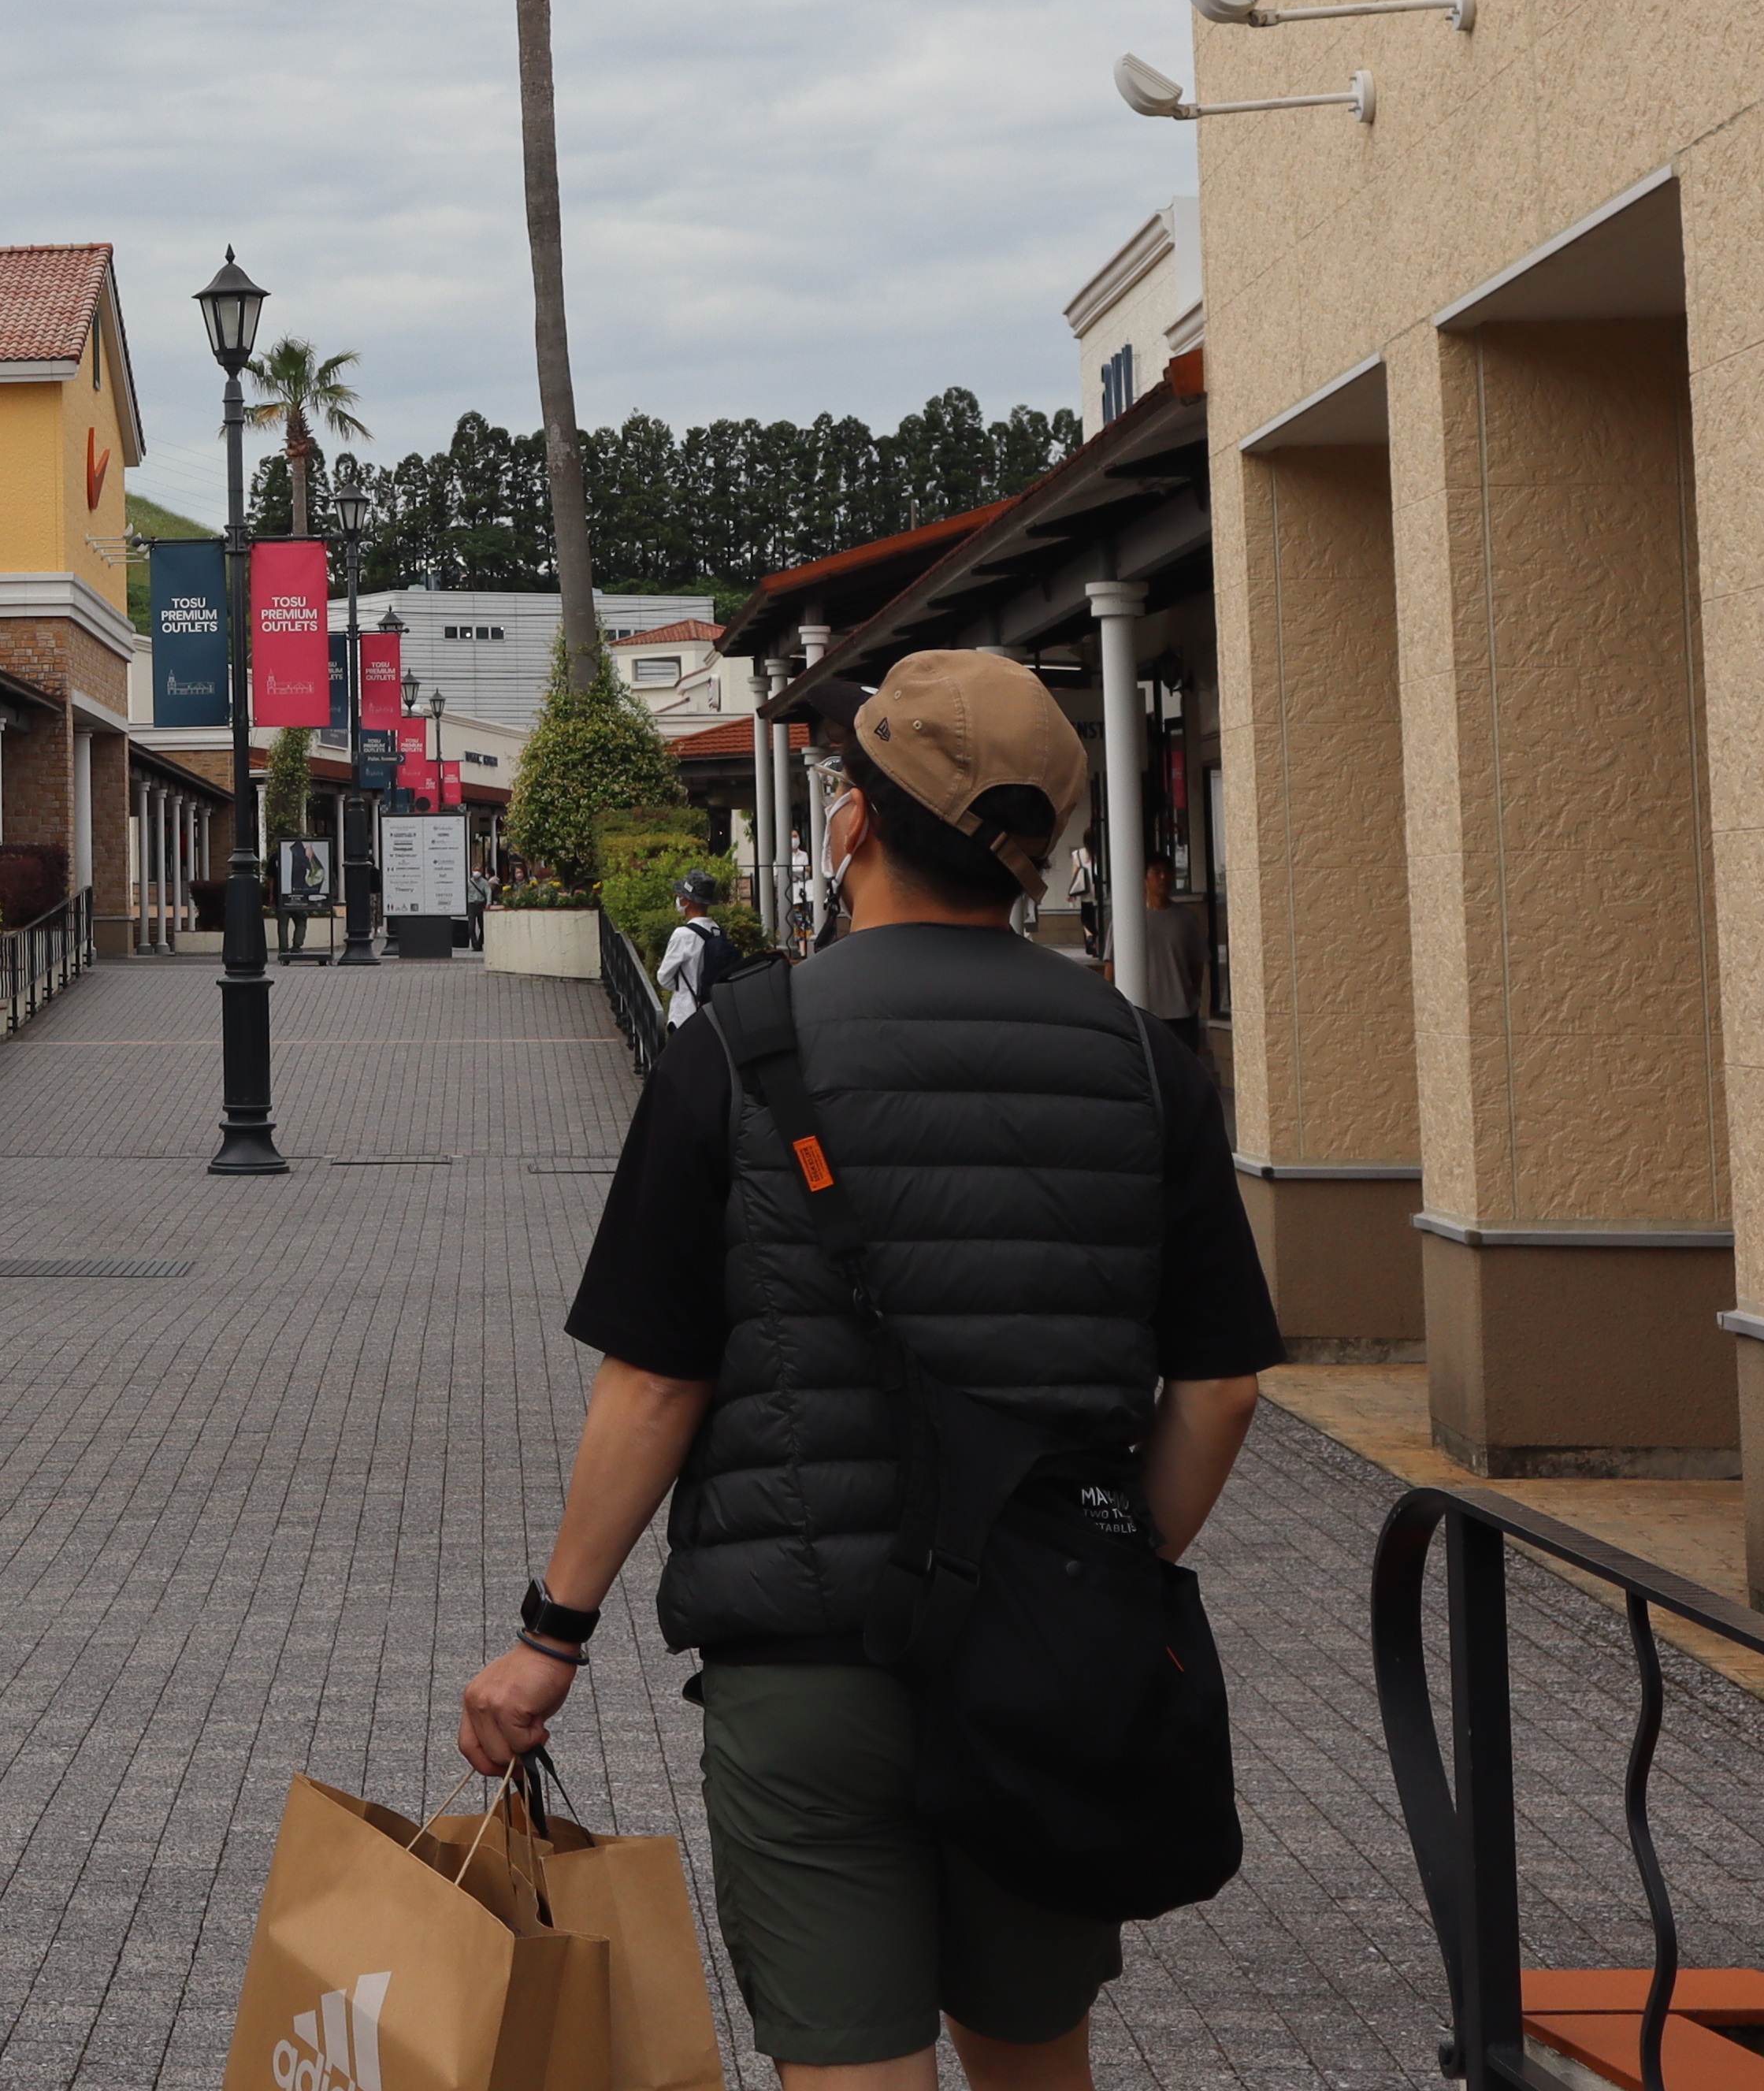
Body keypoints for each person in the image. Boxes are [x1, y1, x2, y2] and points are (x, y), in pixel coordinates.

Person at [455, 649, 1276, 2091]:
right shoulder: (1150, 1068)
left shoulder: (735, 1052)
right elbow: (1220, 1389)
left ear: (853, 821)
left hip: (808, 1668)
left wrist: (551, 1636)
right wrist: (1115, 1567)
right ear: (1039, 855)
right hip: (1047, 1663)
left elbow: (656, 1386)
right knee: (1038, 2064)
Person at [656, 870, 730, 1027]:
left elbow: (664, 977)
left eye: (680, 896)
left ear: (687, 901)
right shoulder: (717, 931)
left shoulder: (683, 935)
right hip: (714, 1013)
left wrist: (683, 985)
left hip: (685, 1013)